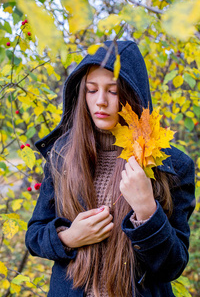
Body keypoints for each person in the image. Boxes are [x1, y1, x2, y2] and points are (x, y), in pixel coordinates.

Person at [25, 41, 195, 297]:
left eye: (113, 91)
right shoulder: (63, 155)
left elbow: (173, 265)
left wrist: (147, 210)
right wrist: (70, 238)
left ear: (133, 94)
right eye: (91, 90)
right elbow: (34, 235)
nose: (100, 102)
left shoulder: (171, 166)